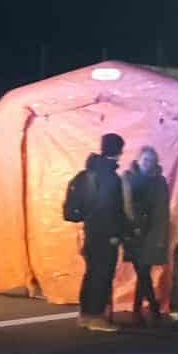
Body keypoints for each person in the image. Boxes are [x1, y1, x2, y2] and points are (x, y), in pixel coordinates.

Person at [67, 132, 130, 329]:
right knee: (102, 275)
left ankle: (85, 314)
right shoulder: (110, 177)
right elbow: (111, 209)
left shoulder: (88, 173)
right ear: (119, 151)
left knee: (91, 273)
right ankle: (97, 316)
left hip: (91, 232)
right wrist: (117, 233)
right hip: (106, 235)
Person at [124, 146, 171, 325]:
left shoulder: (159, 181)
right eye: (145, 159)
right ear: (138, 159)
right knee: (142, 272)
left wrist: (160, 235)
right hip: (133, 232)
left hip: (152, 232)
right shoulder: (129, 178)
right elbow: (125, 204)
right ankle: (151, 308)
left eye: (151, 160)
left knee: (143, 271)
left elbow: (162, 210)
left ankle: (140, 309)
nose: (147, 163)